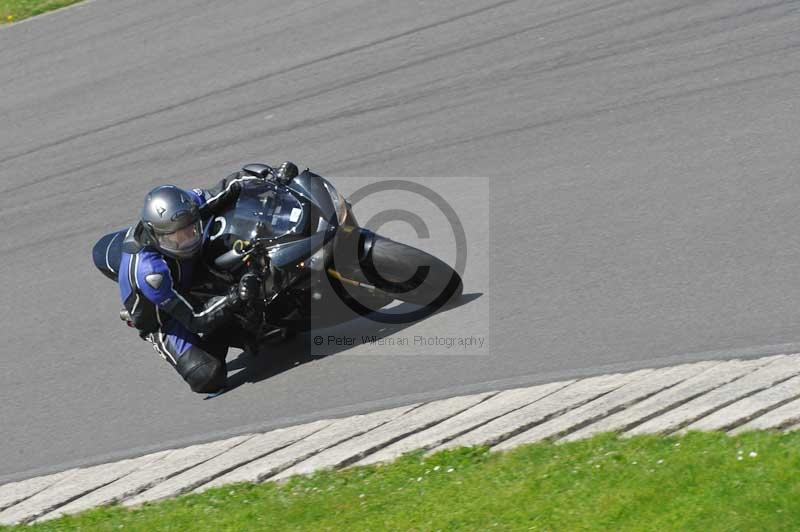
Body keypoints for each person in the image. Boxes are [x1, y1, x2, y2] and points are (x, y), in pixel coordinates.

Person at [118, 163, 295, 394]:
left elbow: (228, 188)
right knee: (208, 377)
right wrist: (234, 297)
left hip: (192, 271)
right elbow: (195, 318)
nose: (187, 240)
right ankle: (234, 330)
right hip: (165, 315)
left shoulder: (186, 207)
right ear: (156, 236)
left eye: (191, 230)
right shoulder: (151, 272)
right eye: (177, 239)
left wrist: (268, 176)